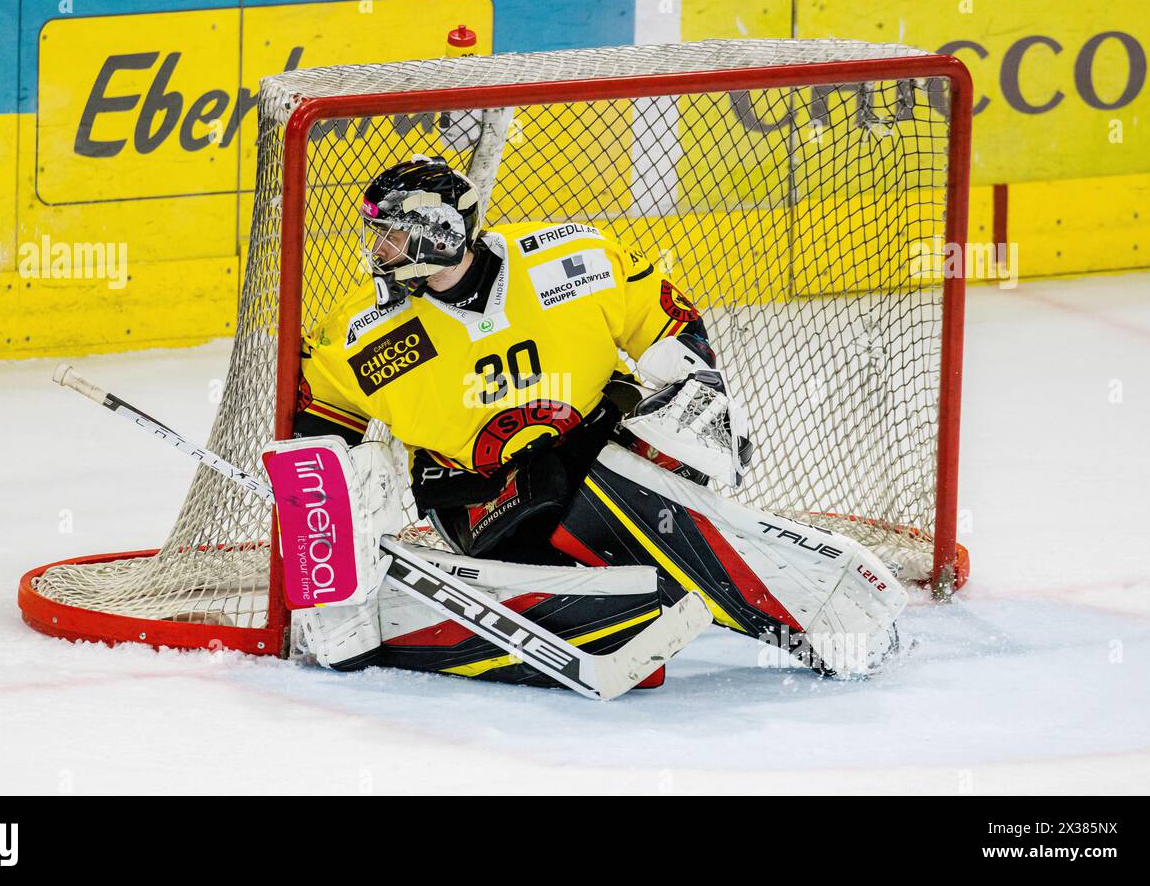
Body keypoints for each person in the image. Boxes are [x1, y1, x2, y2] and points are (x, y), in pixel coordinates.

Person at [291, 156, 904, 687]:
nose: (377, 252)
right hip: (483, 501)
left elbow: (663, 316)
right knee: (611, 581)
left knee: (614, 508)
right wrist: (317, 512)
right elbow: (321, 425)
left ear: (438, 235)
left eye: (391, 236)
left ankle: (811, 607)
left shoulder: (569, 259)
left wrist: (694, 389)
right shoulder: (365, 335)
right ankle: (796, 603)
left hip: (604, 457)